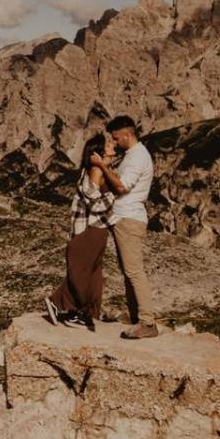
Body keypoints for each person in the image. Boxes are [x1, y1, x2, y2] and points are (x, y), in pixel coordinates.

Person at [89, 115, 157, 339]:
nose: (115, 142)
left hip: (129, 219)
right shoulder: (131, 155)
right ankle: (137, 317)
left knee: (134, 271)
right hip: (122, 218)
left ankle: (147, 322)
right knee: (128, 271)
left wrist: (100, 165)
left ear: (127, 135)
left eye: (116, 138)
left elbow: (121, 186)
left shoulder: (138, 157)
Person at [44, 133, 118, 331]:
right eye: (108, 144)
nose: (113, 145)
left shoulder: (102, 169)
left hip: (98, 229)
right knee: (82, 273)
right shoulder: (96, 170)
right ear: (99, 152)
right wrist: (115, 196)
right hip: (90, 229)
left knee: (93, 273)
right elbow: (94, 202)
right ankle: (67, 308)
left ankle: (91, 310)